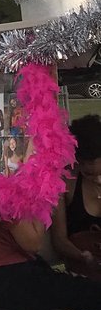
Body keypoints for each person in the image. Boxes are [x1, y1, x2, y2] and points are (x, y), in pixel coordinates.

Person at [51, 116, 101, 278]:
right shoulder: (66, 183)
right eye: (81, 161)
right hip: (83, 271)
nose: (86, 166)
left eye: (93, 161)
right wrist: (83, 256)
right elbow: (59, 240)